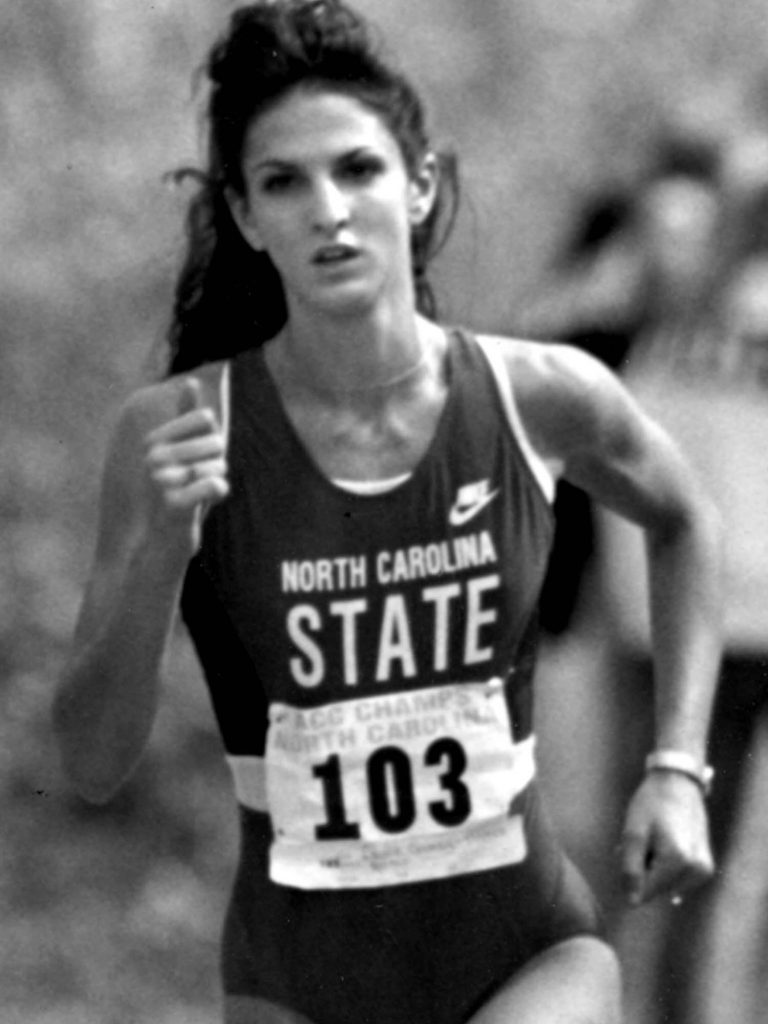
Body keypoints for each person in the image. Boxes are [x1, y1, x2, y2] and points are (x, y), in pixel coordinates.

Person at [52, 2, 723, 1022]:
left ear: (419, 185)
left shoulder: (537, 396)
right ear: (243, 217)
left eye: (357, 169)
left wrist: (676, 767)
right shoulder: (179, 431)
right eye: (285, 181)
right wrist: (159, 557)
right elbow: (93, 764)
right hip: (297, 981)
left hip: (526, 951)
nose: (328, 209)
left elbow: (683, 522)